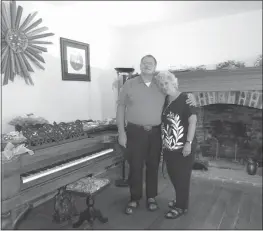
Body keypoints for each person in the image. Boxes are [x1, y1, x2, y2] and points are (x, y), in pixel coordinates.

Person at [116, 55, 196, 215]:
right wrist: (121, 132)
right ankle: (134, 197)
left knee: (153, 166)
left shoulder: (160, 85)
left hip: (155, 133)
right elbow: (120, 108)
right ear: (140, 65)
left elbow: (176, 94)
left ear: (155, 66)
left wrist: (192, 97)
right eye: (144, 63)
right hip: (134, 132)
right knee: (135, 166)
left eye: (150, 63)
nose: (147, 65)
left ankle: (151, 197)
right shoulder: (129, 84)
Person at [155, 71, 197, 219]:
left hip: (183, 147)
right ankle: (182, 202)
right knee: (174, 176)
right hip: (169, 147)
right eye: (161, 84)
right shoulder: (165, 100)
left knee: (182, 177)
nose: (164, 86)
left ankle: (180, 206)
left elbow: (193, 121)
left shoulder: (186, 98)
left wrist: (188, 143)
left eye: (166, 83)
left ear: (173, 82)